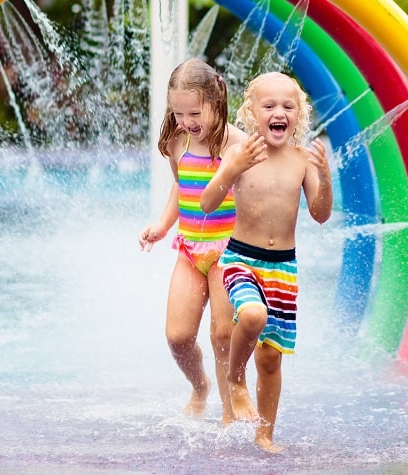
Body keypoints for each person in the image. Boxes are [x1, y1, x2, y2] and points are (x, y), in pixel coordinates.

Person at [199, 71, 333, 452]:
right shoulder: (241, 151)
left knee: (272, 359)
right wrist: (232, 168)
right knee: (253, 317)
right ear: (251, 112)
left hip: (283, 268)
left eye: (288, 106)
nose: (279, 112)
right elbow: (207, 204)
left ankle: (265, 433)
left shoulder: (302, 160)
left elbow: (320, 214)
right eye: (269, 105)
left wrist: (325, 176)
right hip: (242, 258)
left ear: (299, 115)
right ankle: (235, 378)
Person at [138, 58, 248, 424]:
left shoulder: (238, 145)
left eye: (194, 112)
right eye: (178, 113)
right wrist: (163, 224)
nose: (186, 122)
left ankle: (230, 413)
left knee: (222, 333)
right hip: (189, 250)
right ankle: (200, 386)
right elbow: (180, 185)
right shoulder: (177, 142)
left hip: (228, 251)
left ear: (216, 100)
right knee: (178, 337)